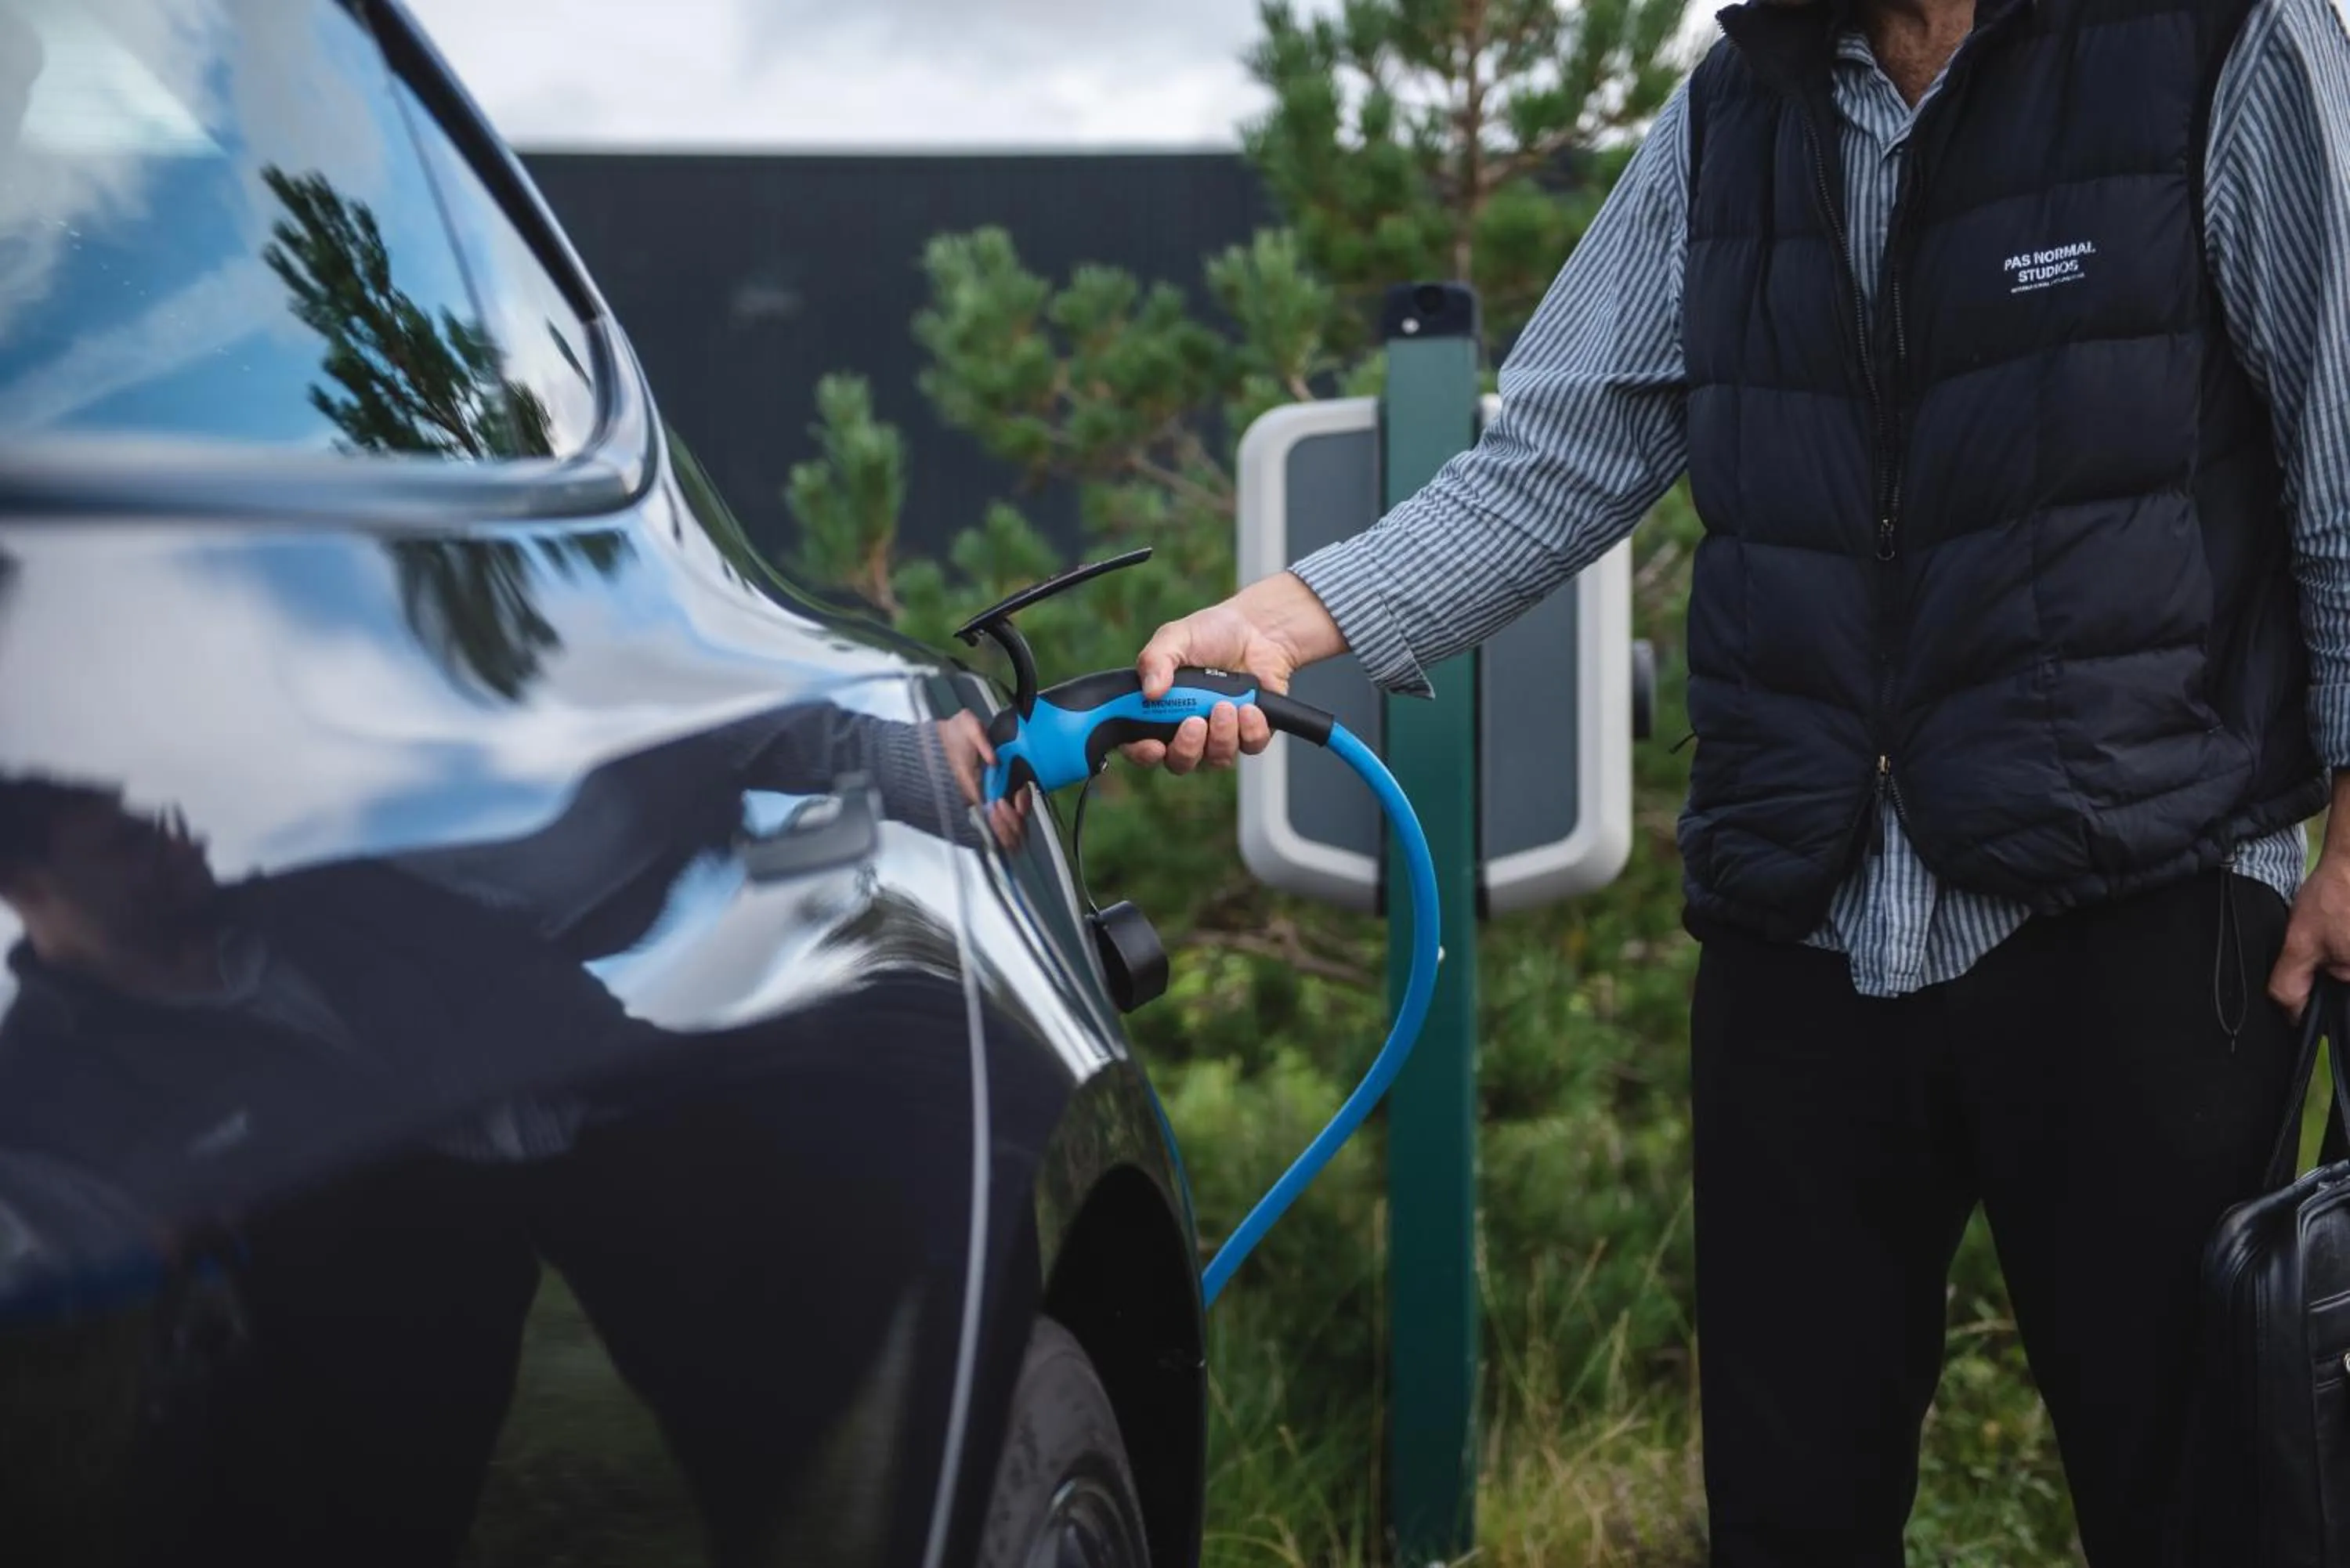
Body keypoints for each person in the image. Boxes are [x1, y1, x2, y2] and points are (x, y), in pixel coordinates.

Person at [1123, 0, 2350, 1558]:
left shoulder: (2219, 37)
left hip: (2149, 897)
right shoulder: (1729, 112)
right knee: (1789, 1518)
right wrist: (1285, 623)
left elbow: (2345, 444)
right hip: (1807, 913)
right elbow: (1553, 456)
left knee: (2204, 1509)